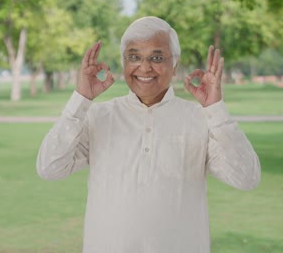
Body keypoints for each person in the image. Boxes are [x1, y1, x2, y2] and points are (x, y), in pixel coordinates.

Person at [36, 16, 261, 253]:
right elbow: (49, 168)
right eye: (134, 57)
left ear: (175, 63)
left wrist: (216, 109)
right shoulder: (98, 117)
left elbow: (247, 178)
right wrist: (80, 99)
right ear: (123, 62)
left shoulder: (201, 119)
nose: (144, 67)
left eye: (157, 57)